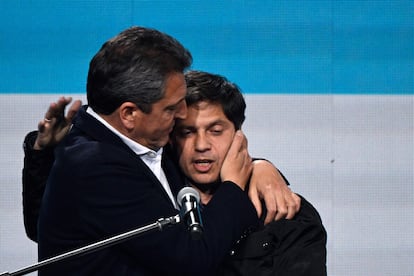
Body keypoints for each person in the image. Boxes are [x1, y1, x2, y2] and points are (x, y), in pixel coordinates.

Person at [25, 26, 299, 275]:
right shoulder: (96, 166)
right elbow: (191, 260)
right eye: (171, 108)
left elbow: (43, 223)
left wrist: (261, 167)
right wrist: (234, 186)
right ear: (129, 114)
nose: (182, 114)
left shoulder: (141, 140)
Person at [172, 71, 327, 275]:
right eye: (187, 132)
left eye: (216, 131)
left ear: (239, 136)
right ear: (171, 138)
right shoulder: (156, 204)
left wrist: (258, 165)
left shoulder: (284, 209)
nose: (201, 145)